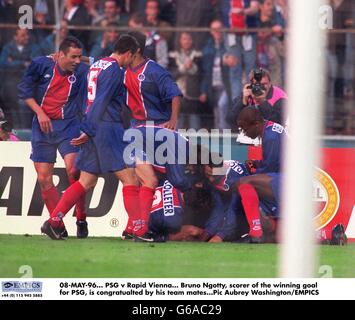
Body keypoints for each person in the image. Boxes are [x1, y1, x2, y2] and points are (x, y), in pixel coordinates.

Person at [40, 35, 141, 240]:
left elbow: (91, 97)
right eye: (133, 56)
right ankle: (136, 229)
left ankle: (54, 221)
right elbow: (101, 102)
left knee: (86, 180)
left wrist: (87, 127)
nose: (132, 61)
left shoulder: (99, 65)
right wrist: (89, 128)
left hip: (93, 126)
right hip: (106, 127)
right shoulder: (114, 70)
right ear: (128, 53)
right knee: (130, 179)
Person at [17, 36, 89, 238]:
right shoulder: (40, 65)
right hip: (43, 126)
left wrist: (86, 127)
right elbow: (24, 91)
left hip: (69, 125)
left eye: (79, 57)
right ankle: (58, 225)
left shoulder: (82, 71)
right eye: (73, 57)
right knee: (43, 178)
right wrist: (40, 113)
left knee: (74, 171)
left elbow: (104, 64)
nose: (77, 61)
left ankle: (81, 218)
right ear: (60, 55)